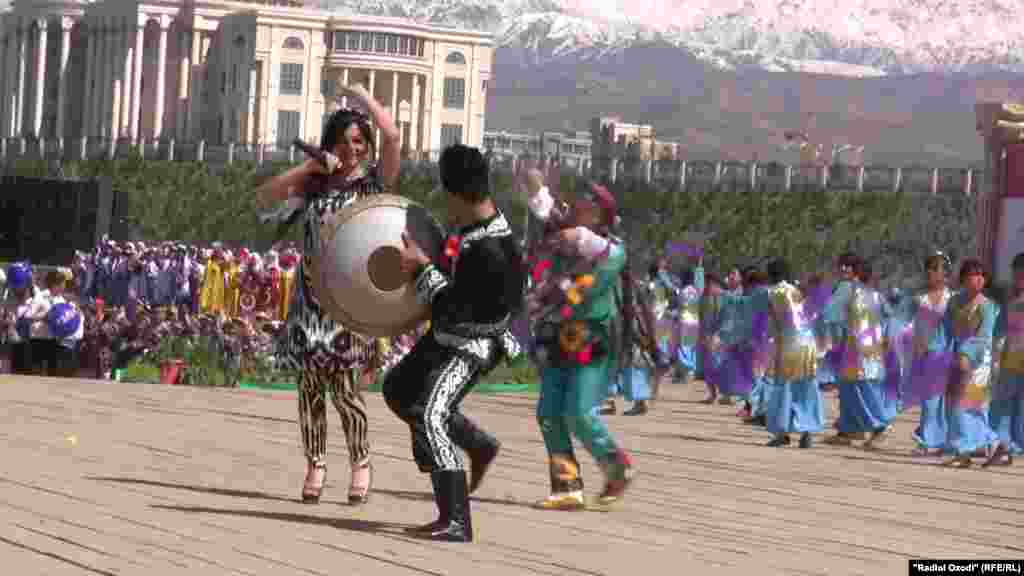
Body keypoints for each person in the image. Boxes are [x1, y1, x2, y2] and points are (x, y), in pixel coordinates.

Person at [255, 82, 400, 505]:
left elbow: (392, 137)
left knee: (347, 392)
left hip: (350, 303)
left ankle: (360, 463)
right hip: (308, 303)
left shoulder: (372, 185)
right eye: (343, 141)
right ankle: (315, 463)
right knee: (310, 392)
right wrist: (310, 167)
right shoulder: (314, 187)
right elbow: (265, 197)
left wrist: (361, 96)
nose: (351, 149)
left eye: (358, 142)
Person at [383, 144, 524, 542]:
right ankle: (478, 446)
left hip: (471, 345)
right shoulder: (474, 231)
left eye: (446, 194)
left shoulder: (493, 249)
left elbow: (455, 308)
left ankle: (456, 520)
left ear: (457, 193)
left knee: (429, 414)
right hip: (449, 334)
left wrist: (421, 269)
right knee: (399, 390)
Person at [526, 180, 635, 510]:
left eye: (583, 206)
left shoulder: (611, 251)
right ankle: (567, 486)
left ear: (599, 215)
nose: (573, 209)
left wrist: (583, 238)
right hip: (557, 338)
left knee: (579, 413)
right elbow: (544, 212)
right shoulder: (562, 242)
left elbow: (609, 257)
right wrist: (536, 186)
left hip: (591, 339)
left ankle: (616, 465)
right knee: (549, 414)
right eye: (574, 204)